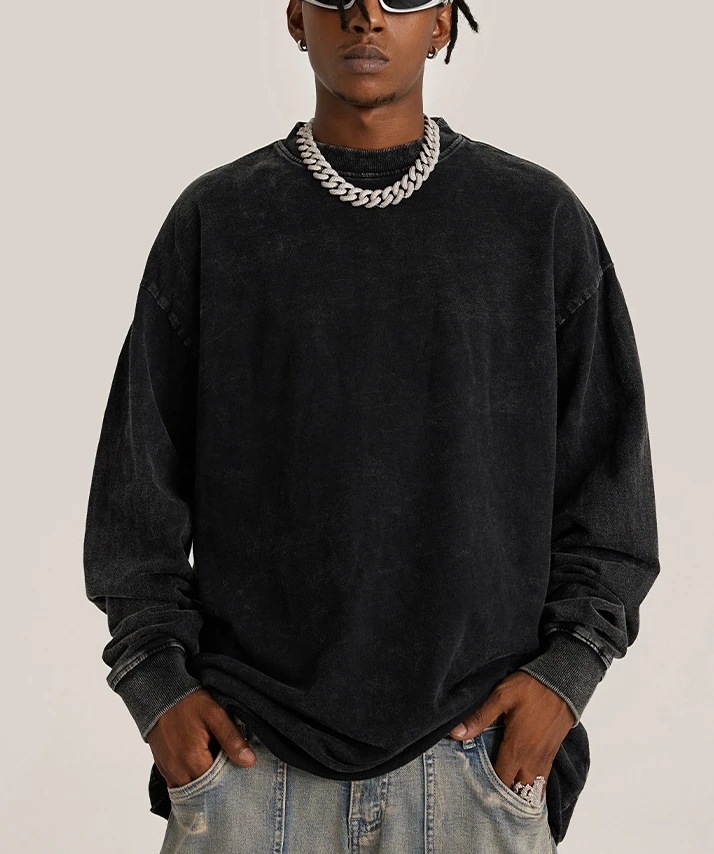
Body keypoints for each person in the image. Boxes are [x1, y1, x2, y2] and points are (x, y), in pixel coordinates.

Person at [83, 1, 660, 852]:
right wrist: (155, 689)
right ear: (296, 17)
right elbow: (136, 492)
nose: (365, 15)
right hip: (249, 765)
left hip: (477, 761)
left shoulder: (535, 220)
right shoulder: (219, 221)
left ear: (443, 24)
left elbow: (611, 492)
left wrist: (565, 677)